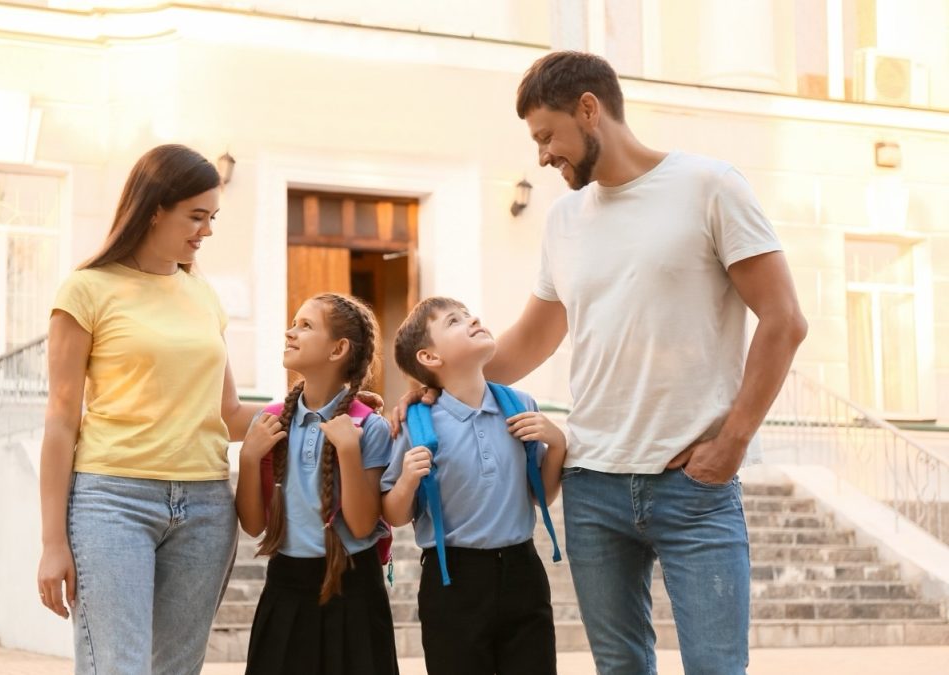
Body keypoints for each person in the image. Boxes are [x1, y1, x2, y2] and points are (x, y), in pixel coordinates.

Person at [395, 51, 808, 675]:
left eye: (546, 136)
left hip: (692, 486)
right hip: (591, 485)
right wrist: (430, 385)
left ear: (589, 110)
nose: (541, 156)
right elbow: (527, 343)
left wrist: (733, 441)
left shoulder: (710, 185)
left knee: (717, 669)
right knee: (618, 668)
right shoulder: (563, 219)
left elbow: (784, 320)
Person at [36, 144, 258, 674]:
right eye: (196, 216)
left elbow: (229, 413)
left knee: (177, 670)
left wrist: (318, 407)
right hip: (113, 501)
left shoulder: (202, 295)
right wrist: (51, 542)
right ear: (155, 207)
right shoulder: (88, 290)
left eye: (212, 218)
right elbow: (61, 418)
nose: (206, 231)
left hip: (206, 506)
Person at [382, 296, 566, 675]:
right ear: (430, 358)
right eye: (453, 321)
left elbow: (540, 495)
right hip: (453, 581)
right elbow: (395, 515)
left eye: (468, 314)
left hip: (523, 573)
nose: (473, 319)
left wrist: (557, 443)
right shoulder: (415, 424)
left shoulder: (521, 404)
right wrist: (406, 479)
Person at [235, 292, 398, 675]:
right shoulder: (271, 421)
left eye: (305, 326)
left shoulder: (367, 426)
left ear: (338, 348)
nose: (290, 333)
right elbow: (255, 525)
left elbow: (360, 525)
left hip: (354, 589)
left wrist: (348, 451)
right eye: (293, 323)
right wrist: (247, 457)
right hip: (285, 587)